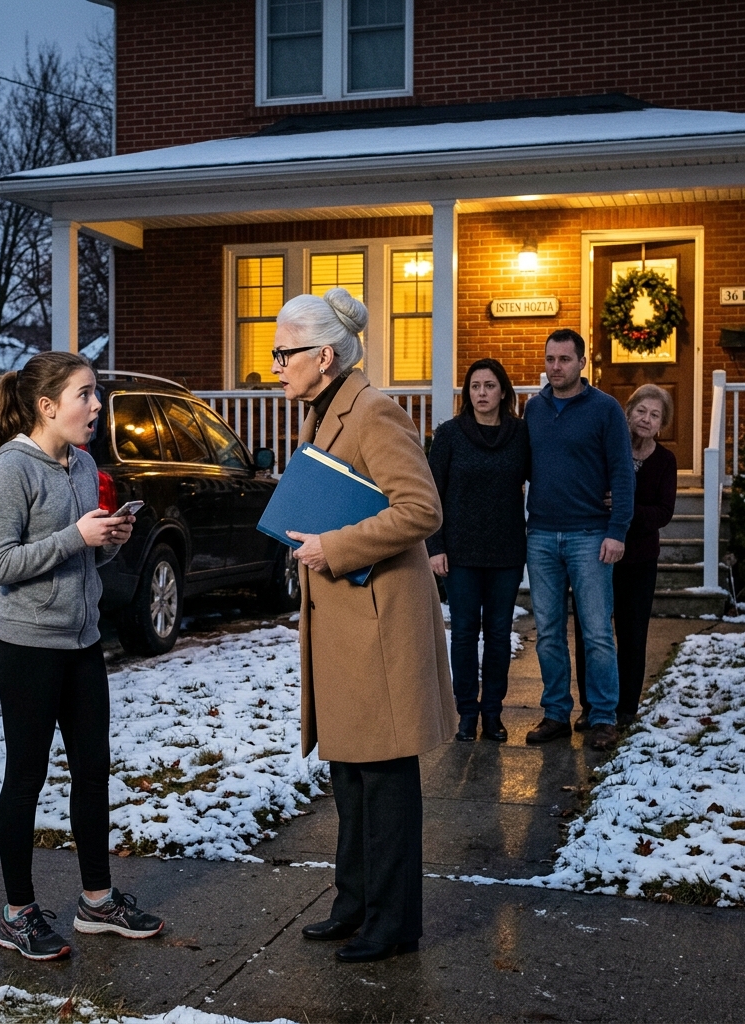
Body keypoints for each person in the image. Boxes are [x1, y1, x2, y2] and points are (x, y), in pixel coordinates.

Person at [273, 288, 453, 964]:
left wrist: (333, 546)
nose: (275, 365)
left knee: (384, 781)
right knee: (348, 774)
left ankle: (393, 922)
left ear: (323, 355)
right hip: (347, 624)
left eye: (283, 352)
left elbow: (420, 509)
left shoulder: (373, 411)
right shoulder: (324, 411)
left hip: (379, 624)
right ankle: (354, 904)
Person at [0, 351, 164, 962]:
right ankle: (17, 912)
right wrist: (73, 538)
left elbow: (82, 557)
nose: (96, 405)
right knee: (26, 777)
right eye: (85, 395)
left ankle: (96, 900)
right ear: (47, 406)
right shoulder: (12, 470)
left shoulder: (83, 464)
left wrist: (106, 540)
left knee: (92, 770)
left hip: (83, 643)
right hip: (27, 645)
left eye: (96, 393)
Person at [522, 329, 634, 752]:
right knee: (548, 631)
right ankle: (555, 713)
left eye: (565, 359)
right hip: (542, 535)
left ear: (582, 362)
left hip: (591, 535)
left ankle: (603, 716)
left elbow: (622, 472)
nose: (556, 367)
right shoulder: (534, 409)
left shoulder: (605, 409)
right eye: (550, 359)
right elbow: (529, 467)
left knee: (597, 631)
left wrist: (617, 530)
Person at [427, 358, 530, 743]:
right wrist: (435, 547)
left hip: (505, 551)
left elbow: (548, 475)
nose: (482, 393)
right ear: (467, 393)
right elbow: (431, 495)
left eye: (489, 386)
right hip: (459, 553)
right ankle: (467, 713)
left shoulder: (520, 434)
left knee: (500, 634)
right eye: (475, 387)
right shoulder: (450, 435)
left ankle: (493, 714)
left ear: (503, 391)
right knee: (466, 633)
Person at [572, 384, 677, 729]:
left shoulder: (665, 461)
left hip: (640, 559)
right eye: (641, 411)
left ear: (662, 424)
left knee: (632, 634)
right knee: (591, 632)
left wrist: (627, 509)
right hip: (598, 552)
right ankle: (591, 707)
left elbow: (663, 512)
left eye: (654, 415)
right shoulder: (607, 451)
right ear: (628, 413)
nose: (646, 420)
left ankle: (626, 708)